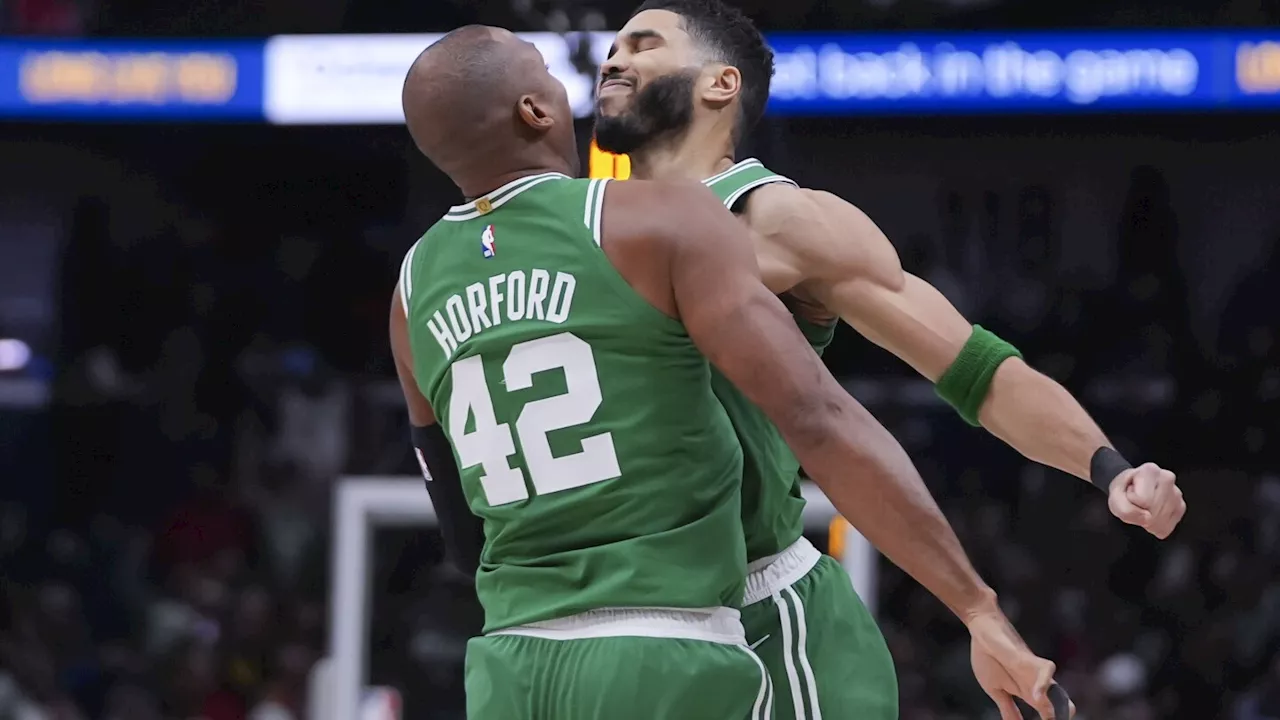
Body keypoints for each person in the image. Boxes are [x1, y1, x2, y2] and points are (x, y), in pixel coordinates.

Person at [392, 25, 1068, 720]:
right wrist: (979, 609)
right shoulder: (651, 220)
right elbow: (819, 419)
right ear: (535, 112)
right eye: (547, 72)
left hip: (509, 666)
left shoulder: (410, 291)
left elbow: (459, 528)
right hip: (661, 646)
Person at [593, 1, 1185, 718]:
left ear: (720, 84)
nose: (613, 58)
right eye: (614, 44)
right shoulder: (568, 224)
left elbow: (973, 369)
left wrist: (1110, 469)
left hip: (751, 621)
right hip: (600, 613)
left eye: (643, 44)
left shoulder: (776, 218)